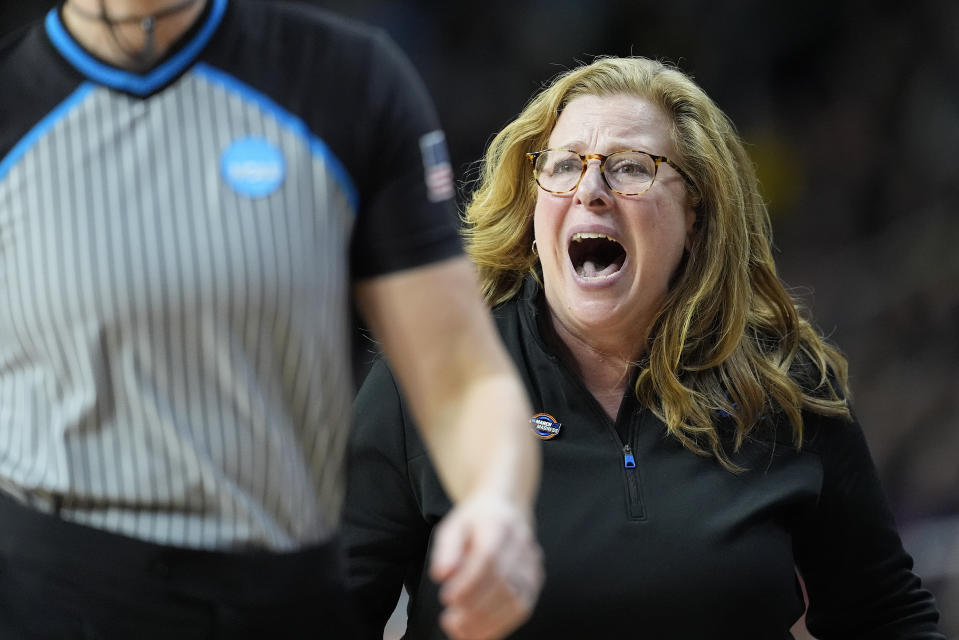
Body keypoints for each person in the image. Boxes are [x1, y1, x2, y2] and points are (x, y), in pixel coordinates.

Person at [342, 56, 945, 638]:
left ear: (697, 213)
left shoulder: (782, 381)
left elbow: (885, 618)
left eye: (631, 166)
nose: (592, 190)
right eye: (564, 165)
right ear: (532, 203)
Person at [0, 1, 543, 638]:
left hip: (281, 593)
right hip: (47, 594)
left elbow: (462, 376)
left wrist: (497, 502)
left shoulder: (345, 80)